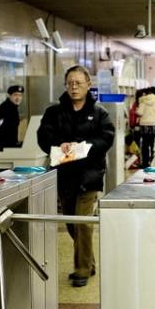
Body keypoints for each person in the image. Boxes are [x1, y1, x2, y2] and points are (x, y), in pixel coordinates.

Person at [37, 66, 115, 287]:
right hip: (64, 175)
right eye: (70, 83)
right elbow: (43, 136)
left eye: (78, 83)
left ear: (88, 84)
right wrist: (58, 145)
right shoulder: (54, 112)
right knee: (72, 222)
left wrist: (83, 148)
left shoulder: (100, 113)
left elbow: (107, 138)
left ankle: (81, 269)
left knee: (83, 223)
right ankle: (89, 262)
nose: (74, 87)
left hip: (89, 175)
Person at [136, 88, 155, 168]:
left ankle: (145, 163)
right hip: (153, 124)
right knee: (153, 143)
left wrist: (137, 110)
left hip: (144, 125)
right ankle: (153, 161)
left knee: (145, 145)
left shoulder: (143, 102)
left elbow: (140, 112)